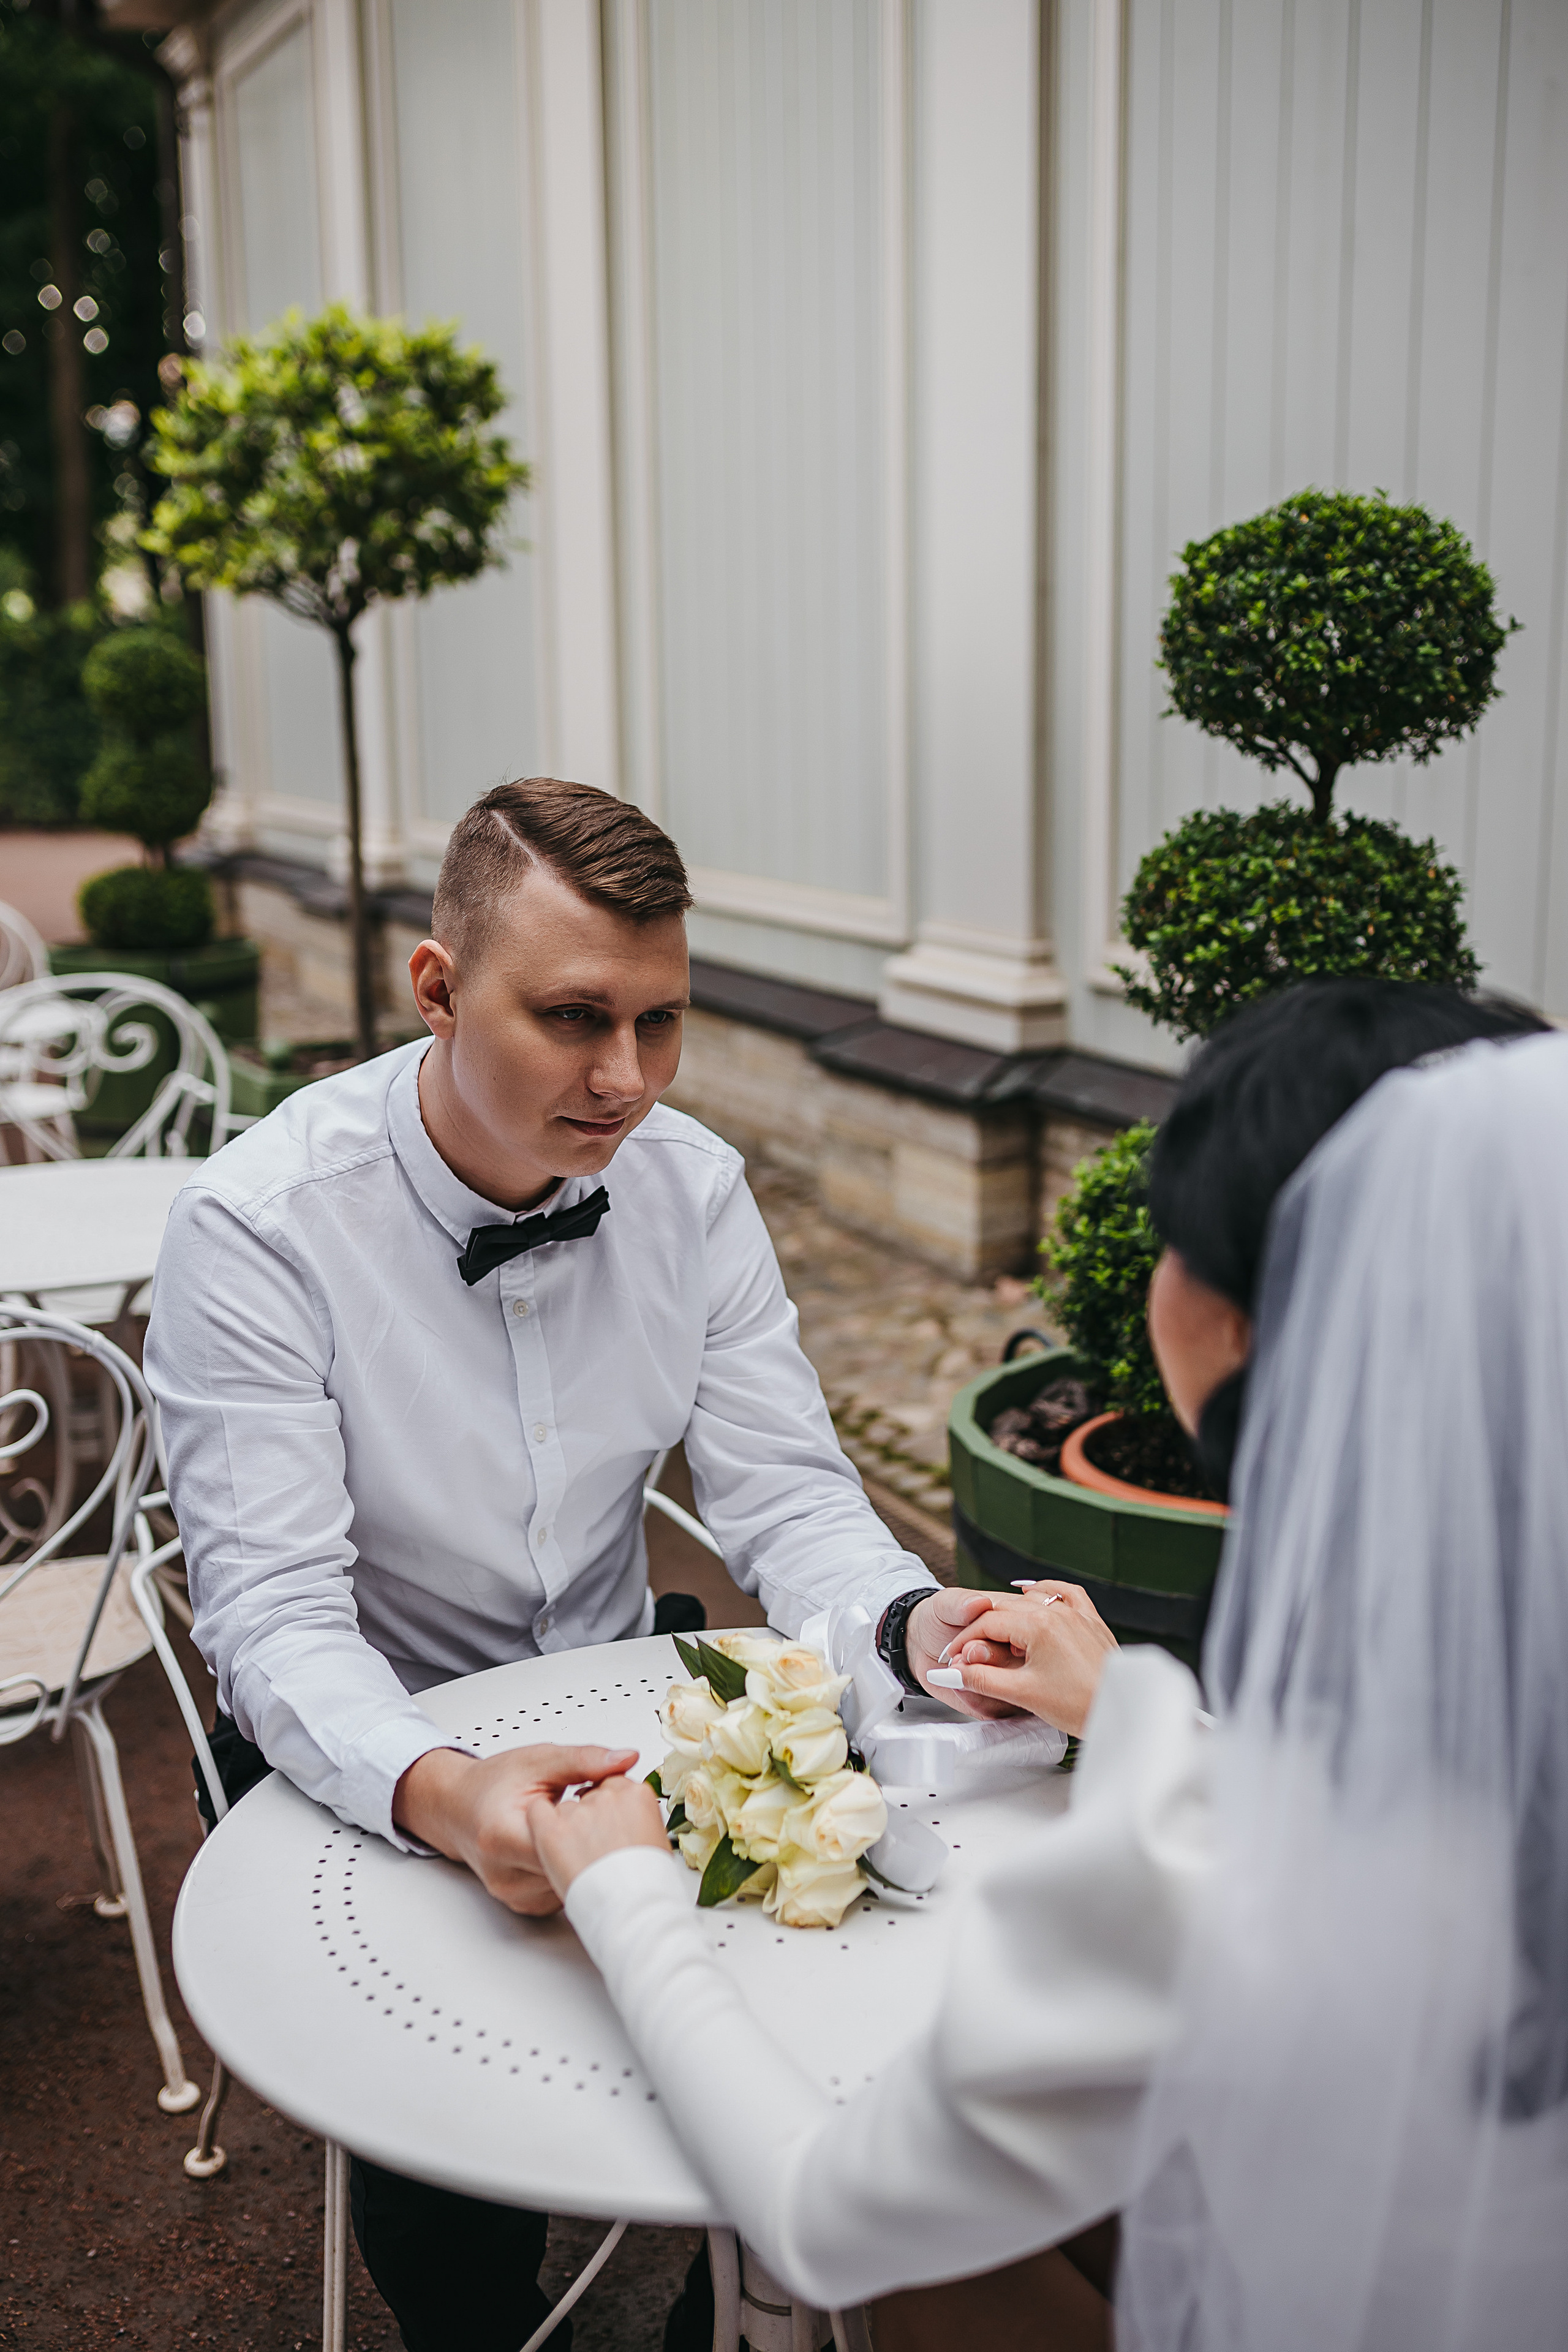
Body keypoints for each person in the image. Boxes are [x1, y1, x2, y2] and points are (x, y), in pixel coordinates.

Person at [526, 984, 1563, 2348]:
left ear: (1244, 1324)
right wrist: (1126, 1706)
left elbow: (825, 2212)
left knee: (921, 2264)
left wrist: (625, 1901)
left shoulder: (1183, 1872)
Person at [145, 778, 993, 2352]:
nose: (625, 1081)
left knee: (823, 2045)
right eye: (573, 1018)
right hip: (369, 1740)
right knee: (447, 2187)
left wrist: (910, 1617)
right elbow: (272, 1617)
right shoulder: (256, 1228)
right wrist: (445, 1790)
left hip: (627, 1712)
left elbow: (789, 1498)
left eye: (659, 1022)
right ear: (438, 986)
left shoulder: (696, 1191)